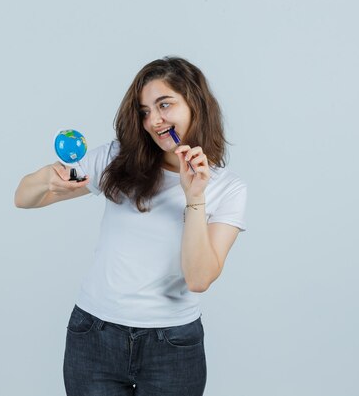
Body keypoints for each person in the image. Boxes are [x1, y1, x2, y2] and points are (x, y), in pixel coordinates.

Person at [14, 56, 247, 396]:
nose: (154, 120)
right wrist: (48, 178)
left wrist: (194, 195)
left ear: (195, 104)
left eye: (164, 104)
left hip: (173, 346)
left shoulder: (228, 188)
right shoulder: (118, 159)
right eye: (144, 111)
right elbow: (23, 197)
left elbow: (198, 278)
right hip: (94, 336)